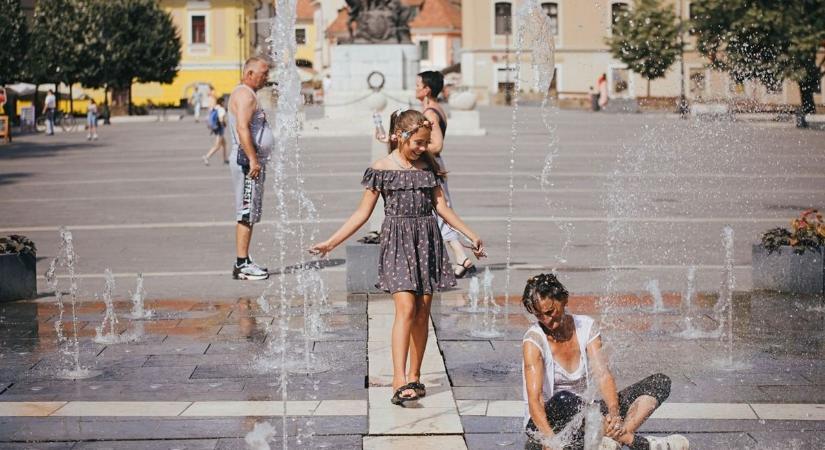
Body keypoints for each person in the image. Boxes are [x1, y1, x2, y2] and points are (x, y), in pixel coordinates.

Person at [310, 110, 486, 406]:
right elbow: (361, 213)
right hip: (398, 243)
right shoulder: (381, 169)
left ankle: (416, 376)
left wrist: (471, 235)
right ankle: (398, 378)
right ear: (400, 136)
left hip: (427, 241)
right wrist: (331, 242)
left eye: (426, 142)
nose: (423, 148)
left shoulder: (427, 167)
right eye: (418, 142)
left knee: (421, 311)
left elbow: (443, 208)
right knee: (405, 307)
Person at [521, 274, 689, 450]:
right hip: (549, 426)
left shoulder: (586, 326)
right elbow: (536, 400)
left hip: (590, 420)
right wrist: (550, 441)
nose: (547, 321)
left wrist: (614, 413)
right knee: (565, 399)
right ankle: (635, 442)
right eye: (539, 315)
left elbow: (602, 374)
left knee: (659, 382)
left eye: (550, 312)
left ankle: (611, 441)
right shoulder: (533, 341)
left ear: (563, 300)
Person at [416, 71, 476, 279]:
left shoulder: (430, 112)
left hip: (432, 166)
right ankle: (460, 257)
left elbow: (437, 144)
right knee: (438, 211)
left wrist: (414, 146)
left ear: (427, 90)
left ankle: (461, 257)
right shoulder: (433, 109)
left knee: (440, 211)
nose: (415, 89)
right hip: (434, 165)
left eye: (418, 85)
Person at [227, 56, 274, 281]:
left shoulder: (248, 93)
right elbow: (242, 128)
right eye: (264, 73)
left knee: (250, 212)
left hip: (251, 164)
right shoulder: (245, 94)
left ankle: (244, 260)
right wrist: (253, 160)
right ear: (250, 74)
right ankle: (241, 264)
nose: (267, 77)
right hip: (247, 164)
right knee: (245, 212)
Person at [203, 97, 228, 165]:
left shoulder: (215, 108)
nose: (225, 103)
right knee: (217, 146)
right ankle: (206, 157)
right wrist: (225, 124)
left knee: (224, 144)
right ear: (222, 102)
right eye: (224, 102)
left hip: (216, 128)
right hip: (219, 129)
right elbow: (221, 119)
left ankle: (225, 159)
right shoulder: (221, 109)